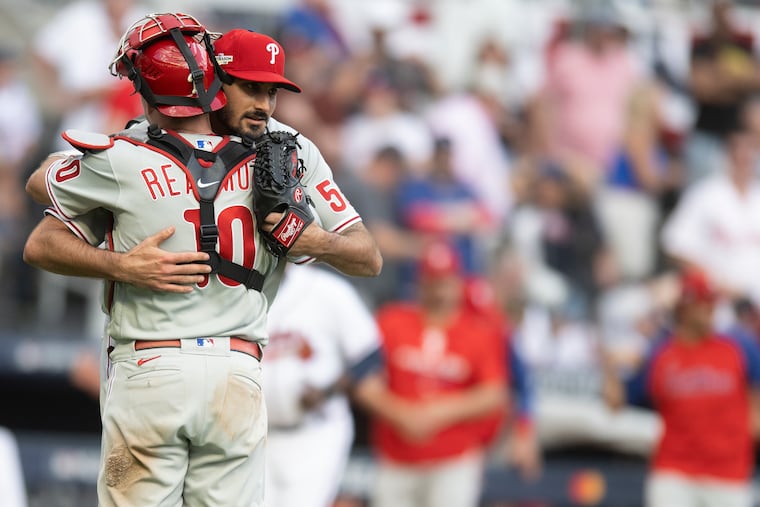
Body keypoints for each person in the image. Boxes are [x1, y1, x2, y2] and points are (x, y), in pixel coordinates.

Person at [23, 13, 380, 507]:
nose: (263, 105)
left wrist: (313, 239)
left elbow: (368, 256)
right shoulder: (155, 148)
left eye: (272, 92)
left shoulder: (142, 152)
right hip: (231, 371)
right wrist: (124, 264)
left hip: (166, 364)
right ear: (214, 80)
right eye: (249, 88)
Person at [353, 240, 508, 507]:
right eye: (433, 281)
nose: (440, 291)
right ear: (420, 283)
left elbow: (494, 394)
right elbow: (362, 382)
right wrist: (402, 413)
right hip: (395, 456)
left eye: (446, 281)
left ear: (459, 282)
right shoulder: (391, 321)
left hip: (454, 457)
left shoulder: (480, 332)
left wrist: (437, 413)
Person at [602, 268, 760, 507]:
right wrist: (610, 369)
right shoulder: (662, 354)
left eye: (711, 302)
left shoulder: (738, 347)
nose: (710, 309)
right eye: (703, 302)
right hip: (675, 471)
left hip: (728, 472)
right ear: (685, 308)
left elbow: (755, 404)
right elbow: (617, 404)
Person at [262, 263, 382, 507]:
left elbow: (369, 357)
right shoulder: (239, 289)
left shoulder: (327, 290)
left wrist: (326, 392)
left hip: (315, 433)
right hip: (256, 436)